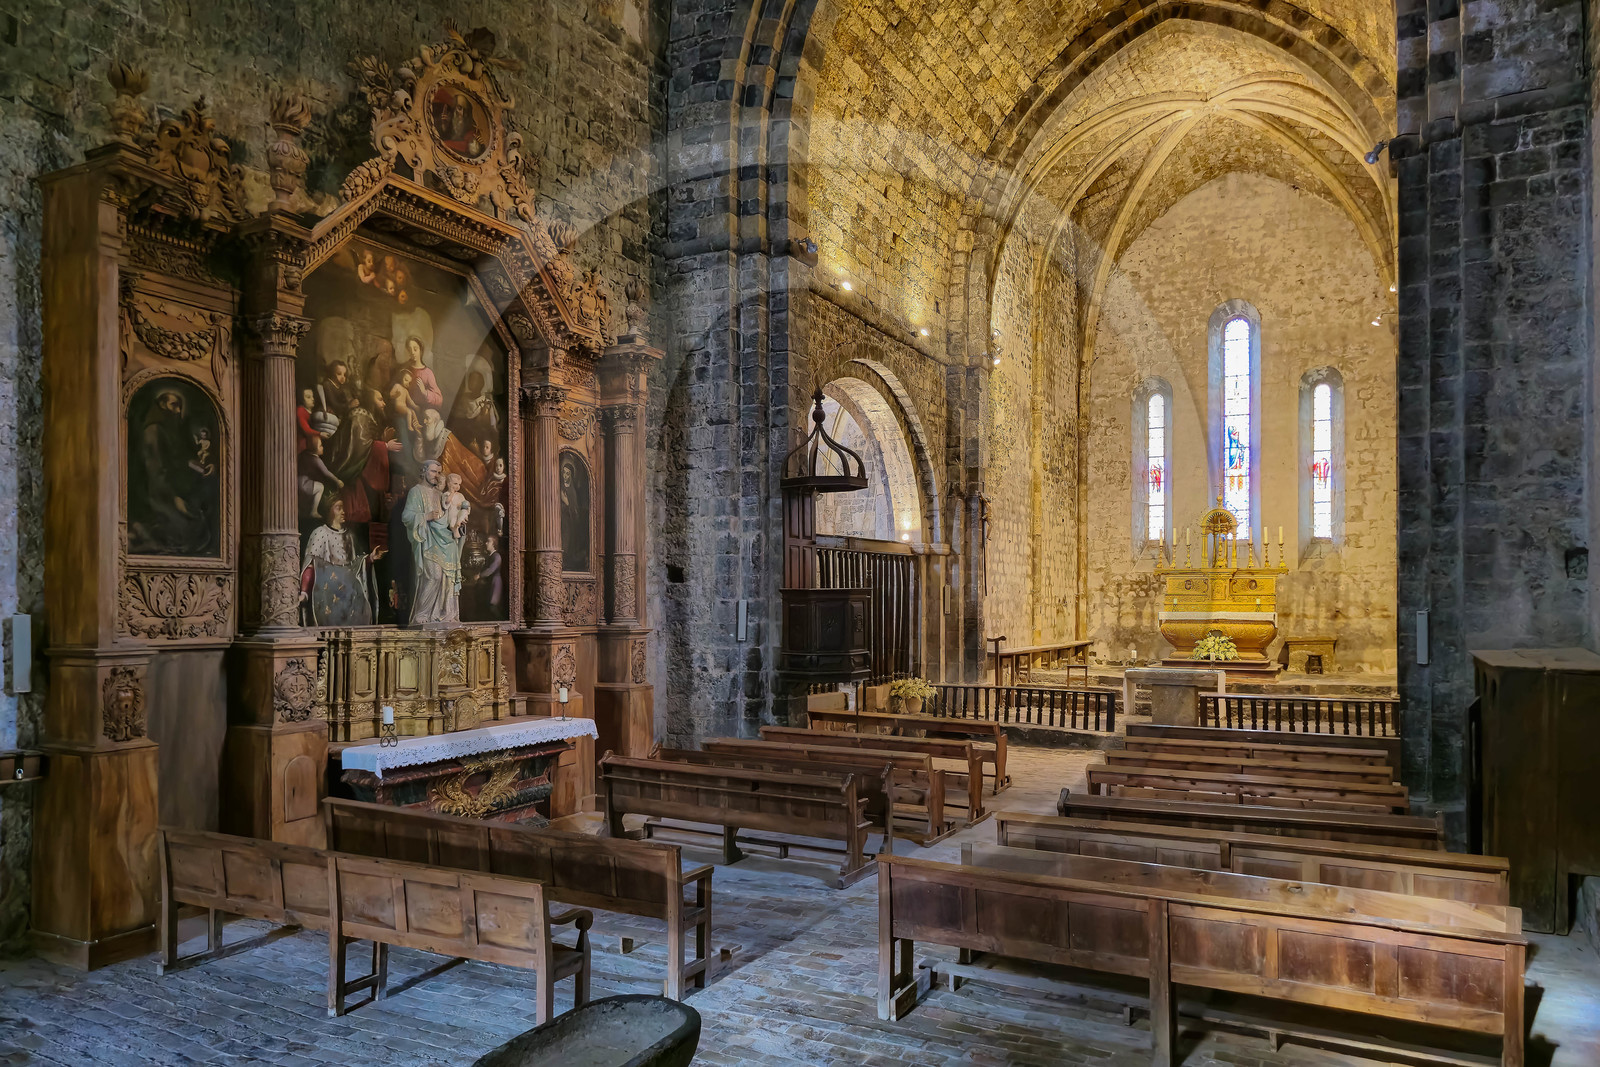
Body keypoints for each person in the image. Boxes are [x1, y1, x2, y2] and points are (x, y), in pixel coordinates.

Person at [130, 387, 215, 555]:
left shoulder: (168, 431)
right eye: (174, 405)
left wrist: (204, 468)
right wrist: (174, 499)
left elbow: (181, 461)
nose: (177, 411)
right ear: (162, 405)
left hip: (175, 491)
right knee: (188, 529)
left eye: (179, 407)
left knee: (201, 519)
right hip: (158, 496)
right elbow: (156, 473)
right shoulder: (153, 431)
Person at [299, 497, 386, 625]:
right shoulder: (320, 533)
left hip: (349, 585)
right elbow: (311, 565)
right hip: (328, 586)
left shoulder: (350, 536)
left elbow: (355, 565)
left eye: (343, 508)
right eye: (338, 508)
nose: (343, 512)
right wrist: (304, 592)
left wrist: (370, 558)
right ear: (329, 511)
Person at [400, 460, 462, 625]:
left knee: (447, 577)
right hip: (428, 540)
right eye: (434, 471)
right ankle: (422, 614)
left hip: (444, 539)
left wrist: (458, 522)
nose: (437, 475)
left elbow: (449, 515)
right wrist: (425, 516)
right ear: (424, 471)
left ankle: (443, 614)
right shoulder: (416, 491)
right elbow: (406, 516)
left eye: (439, 472)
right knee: (433, 576)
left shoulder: (440, 494)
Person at [396, 336, 443, 409]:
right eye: (409, 350)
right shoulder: (404, 369)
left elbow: (439, 399)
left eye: (415, 349)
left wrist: (425, 392)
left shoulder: (428, 373)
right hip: (404, 407)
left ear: (421, 350)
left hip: (421, 409)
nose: (412, 352)